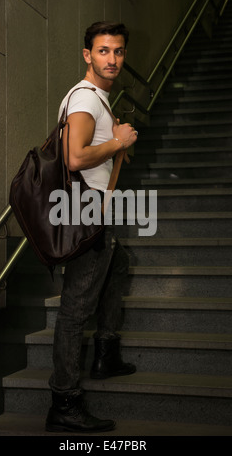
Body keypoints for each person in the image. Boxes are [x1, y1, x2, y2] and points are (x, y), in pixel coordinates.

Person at [46, 21, 138, 433]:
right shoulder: (84, 98)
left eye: (118, 51)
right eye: (103, 51)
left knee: (118, 266)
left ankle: (105, 353)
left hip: (96, 209)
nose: (112, 59)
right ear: (88, 55)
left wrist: (117, 145)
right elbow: (74, 159)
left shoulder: (99, 100)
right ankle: (64, 401)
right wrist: (118, 142)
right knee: (74, 310)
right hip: (86, 212)